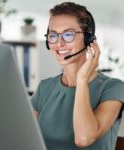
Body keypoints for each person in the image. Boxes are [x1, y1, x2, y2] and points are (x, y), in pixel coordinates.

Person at [31, 2, 124, 150]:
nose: (59, 43)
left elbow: (84, 138)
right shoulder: (44, 88)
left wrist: (81, 80)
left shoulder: (113, 88)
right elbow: (25, 138)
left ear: (88, 39)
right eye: (53, 35)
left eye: (68, 34)